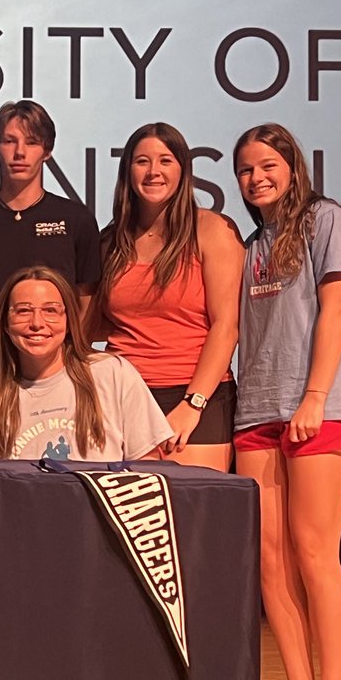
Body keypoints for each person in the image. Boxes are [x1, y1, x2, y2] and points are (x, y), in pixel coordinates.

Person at [232, 124, 341, 680]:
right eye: (244, 169)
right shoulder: (255, 243)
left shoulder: (327, 221)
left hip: (320, 408)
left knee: (316, 552)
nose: (256, 177)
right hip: (255, 412)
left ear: (293, 166)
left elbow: (335, 308)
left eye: (267, 165)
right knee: (270, 559)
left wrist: (313, 396)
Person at [94, 123, 244, 472]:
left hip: (196, 395)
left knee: (195, 515)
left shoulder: (213, 229)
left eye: (166, 160)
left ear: (183, 170)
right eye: (142, 161)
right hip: (123, 396)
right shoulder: (108, 243)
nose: (153, 171)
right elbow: (96, 327)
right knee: (133, 518)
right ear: (127, 171)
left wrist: (193, 404)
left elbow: (227, 326)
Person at [0, 266, 171, 461]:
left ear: (68, 322)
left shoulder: (113, 373)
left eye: (50, 311)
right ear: (5, 324)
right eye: (24, 311)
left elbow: (146, 462)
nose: (37, 323)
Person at [0, 100, 101, 378]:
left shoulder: (76, 219)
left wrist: (68, 353)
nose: (19, 153)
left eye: (31, 142)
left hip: (59, 371)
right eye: (9, 141)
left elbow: (85, 301)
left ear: (47, 151)